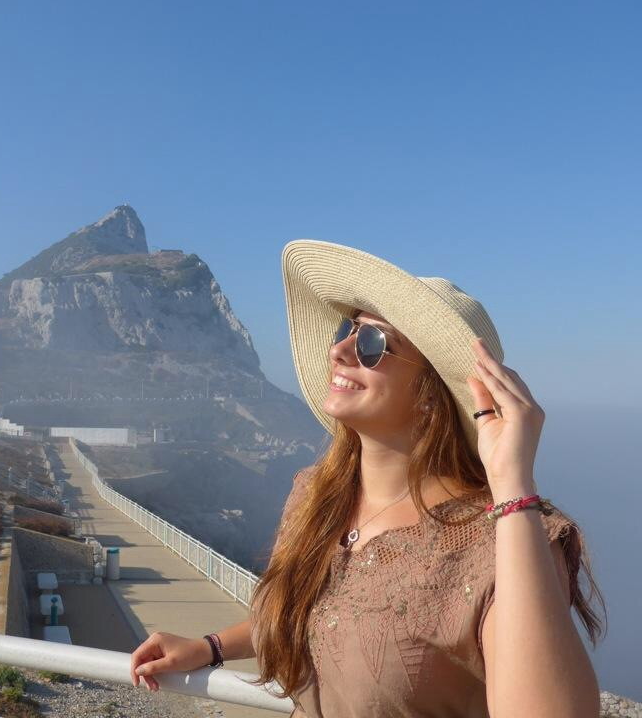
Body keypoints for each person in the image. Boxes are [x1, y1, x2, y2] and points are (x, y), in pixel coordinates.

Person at [129, 239, 604, 717]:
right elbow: (322, 614)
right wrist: (210, 647)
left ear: (429, 393)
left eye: (373, 343)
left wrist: (513, 488)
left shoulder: (501, 541)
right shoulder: (316, 494)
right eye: (347, 330)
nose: (338, 351)